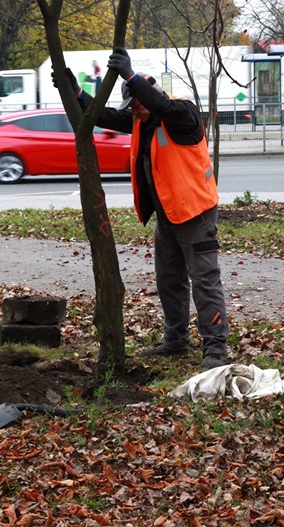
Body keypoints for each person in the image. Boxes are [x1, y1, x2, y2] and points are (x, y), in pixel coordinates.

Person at [67, 48, 230, 370]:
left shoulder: (182, 114)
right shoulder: (142, 120)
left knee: (205, 281)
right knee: (169, 280)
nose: (134, 111)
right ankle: (175, 341)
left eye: (137, 104)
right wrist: (76, 94)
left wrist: (131, 76)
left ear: (149, 96)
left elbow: (161, 105)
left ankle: (215, 349)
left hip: (195, 213)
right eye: (131, 106)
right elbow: (105, 116)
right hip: (168, 214)